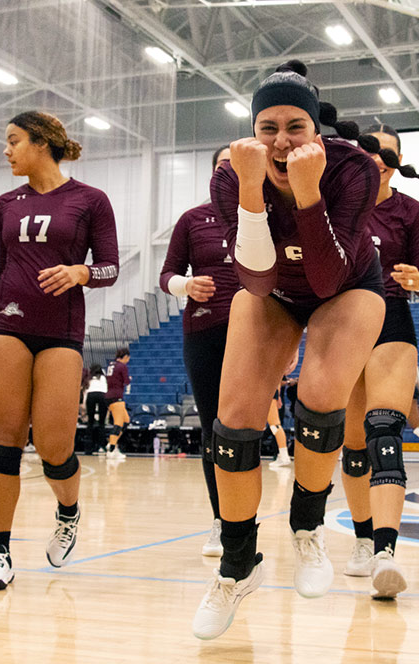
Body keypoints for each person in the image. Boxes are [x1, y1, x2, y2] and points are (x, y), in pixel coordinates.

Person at [193, 60, 419, 639]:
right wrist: (250, 188)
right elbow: (256, 279)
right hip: (269, 291)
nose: (280, 140)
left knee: (321, 398)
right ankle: (236, 564)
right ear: (252, 131)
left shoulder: (352, 170)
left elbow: (326, 280)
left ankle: (307, 529)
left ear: (316, 131)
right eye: (267, 126)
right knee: (235, 424)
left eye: (295, 126)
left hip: (347, 288)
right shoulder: (231, 174)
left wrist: (305, 193)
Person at [0, 111, 119, 590]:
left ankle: (68, 511)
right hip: (6, 326)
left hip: (61, 332)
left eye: (13, 141)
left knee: (55, 448)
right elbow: (1, 270)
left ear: (41, 142)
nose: (6, 150)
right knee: (6, 440)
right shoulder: (4, 204)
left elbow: (111, 267)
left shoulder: (91, 200)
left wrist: (81, 273)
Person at [339, 123, 419, 595]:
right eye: (370, 151)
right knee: (351, 443)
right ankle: (363, 539)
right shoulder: (336, 207)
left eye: (387, 153)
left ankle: (386, 551)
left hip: (392, 319)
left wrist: (417, 280)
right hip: (343, 323)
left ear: (398, 160)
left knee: (384, 429)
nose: (378, 159)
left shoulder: (412, 210)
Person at [159, 145, 241, 556]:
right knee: (213, 428)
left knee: (243, 430)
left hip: (254, 336)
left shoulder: (268, 219)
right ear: (213, 173)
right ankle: (221, 522)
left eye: (237, 164)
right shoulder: (192, 220)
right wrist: (186, 286)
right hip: (204, 331)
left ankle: (244, 521)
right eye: (223, 165)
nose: (230, 171)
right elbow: (166, 275)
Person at [104, 348, 132, 459]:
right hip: (116, 397)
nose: (128, 361)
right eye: (128, 359)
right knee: (118, 423)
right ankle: (111, 449)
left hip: (109, 395)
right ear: (125, 356)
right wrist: (129, 378)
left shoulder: (111, 364)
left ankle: (112, 443)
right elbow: (127, 381)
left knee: (126, 421)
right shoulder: (122, 366)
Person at [84, 364, 109, 455]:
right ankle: (102, 446)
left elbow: (86, 391)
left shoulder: (89, 378)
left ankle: (88, 448)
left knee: (90, 422)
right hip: (102, 395)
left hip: (91, 395)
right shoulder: (103, 378)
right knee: (101, 423)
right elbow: (106, 389)